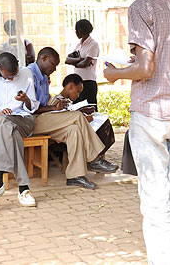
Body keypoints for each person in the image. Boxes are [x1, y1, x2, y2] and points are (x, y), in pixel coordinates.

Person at [104, 0, 170, 264]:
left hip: (151, 115)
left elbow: (146, 68)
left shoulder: (142, 6)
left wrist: (115, 74)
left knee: (156, 200)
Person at [27, 48, 117, 190]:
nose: (54, 69)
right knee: (77, 116)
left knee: (73, 130)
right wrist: (54, 108)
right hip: (31, 121)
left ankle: (75, 176)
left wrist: (56, 108)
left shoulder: (43, 77)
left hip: (44, 119)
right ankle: (94, 158)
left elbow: (45, 103)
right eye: (53, 64)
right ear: (43, 58)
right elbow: (30, 107)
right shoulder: (29, 74)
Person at [0, 52, 39, 207]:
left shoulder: (25, 73)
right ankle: (24, 189)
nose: (12, 79)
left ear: (18, 64)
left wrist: (26, 100)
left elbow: (33, 107)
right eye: (8, 77)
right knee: (9, 131)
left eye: (14, 75)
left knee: (6, 124)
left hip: (23, 120)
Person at [65, 19, 99, 108]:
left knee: (90, 109)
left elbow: (85, 63)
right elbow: (67, 60)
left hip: (88, 82)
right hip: (78, 82)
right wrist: (80, 59)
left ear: (81, 30)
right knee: (77, 108)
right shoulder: (78, 45)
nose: (76, 32)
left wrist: (76, 62)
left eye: (77, 30)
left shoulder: (93, 44)